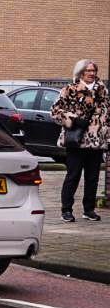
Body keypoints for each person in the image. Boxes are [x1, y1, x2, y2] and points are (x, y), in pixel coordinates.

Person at [51, 59, 108, 223]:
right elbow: (55, 111)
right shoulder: (70, 89)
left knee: (93, 177)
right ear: (81, 72)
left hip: (96, 141)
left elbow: (107, 115)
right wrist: (72, 119)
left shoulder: (102, 91)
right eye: (89, 70)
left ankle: (89, 210)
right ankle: (66, 210)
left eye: (94, 70)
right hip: (77, 141)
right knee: (73, 175)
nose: (92, 73)